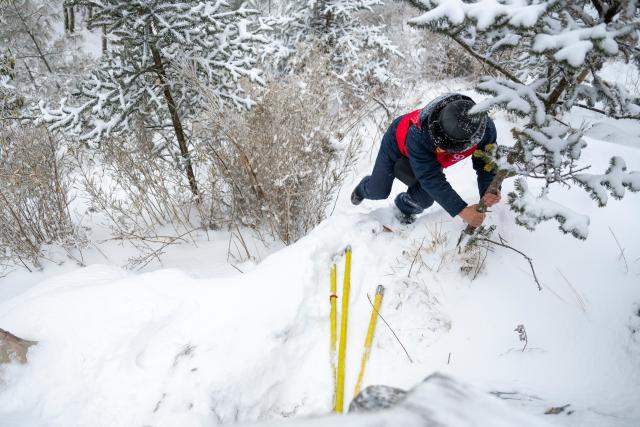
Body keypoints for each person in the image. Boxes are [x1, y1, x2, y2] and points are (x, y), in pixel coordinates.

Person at [351, 93, 501, 225]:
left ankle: (403, 209)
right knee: (379, 191)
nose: (438, 150)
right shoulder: (420, 131)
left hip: (427, 160)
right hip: (397, 143)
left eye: (444, 148)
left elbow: (486, 163)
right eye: (437, 144)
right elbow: (429, 177)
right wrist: (461, 210)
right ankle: (364, 187)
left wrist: (489, 190)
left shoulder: (484, 130)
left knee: (424, 200)